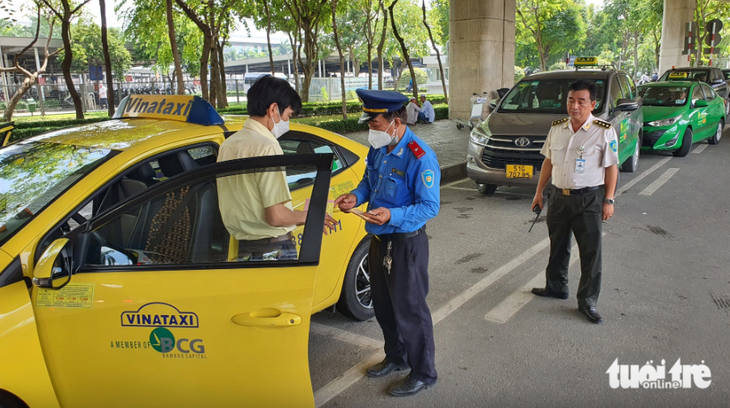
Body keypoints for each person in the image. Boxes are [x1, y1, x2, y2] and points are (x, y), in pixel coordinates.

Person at [334, 89, 440, 397]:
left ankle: (424, 372)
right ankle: (397, 357)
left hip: (406, 245)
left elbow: (430, 206)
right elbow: (369, 181)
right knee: (384, 306)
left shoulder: (420, 155)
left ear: (396, 121)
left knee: (411, 311)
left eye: (375, 122)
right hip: (379, 240)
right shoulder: (378, 148)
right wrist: (357, 196)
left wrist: (392, 214)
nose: (371, 128)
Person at [217, 76, 335, 260]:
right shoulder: (267, 147)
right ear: (273, 109)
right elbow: (276, 216)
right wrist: (310, 217)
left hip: (240, 249)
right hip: (272, 250)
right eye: (288, 115)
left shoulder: (228, 145)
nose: (287, 122)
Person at [530, 80, 619, 325]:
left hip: (589, 199)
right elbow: (548, 161)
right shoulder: (557, 128)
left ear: (593, 104)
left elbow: (611, 168)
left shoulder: (603, 130)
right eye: (571, 100)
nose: (575, 106)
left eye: (581, 101)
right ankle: (556, 287)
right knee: (558, 245)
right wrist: (539, 192)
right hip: (558, 197)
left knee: (591, 251)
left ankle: (588, 300)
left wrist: (608, 199)